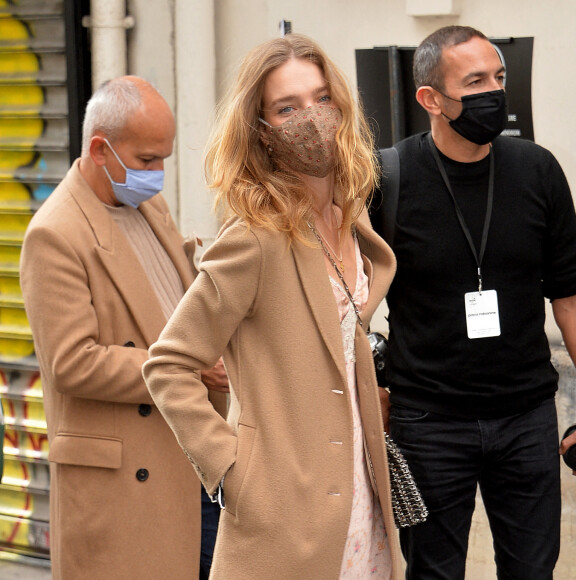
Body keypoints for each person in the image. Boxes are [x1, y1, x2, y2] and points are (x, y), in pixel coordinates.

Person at [143, 34, 403, 579]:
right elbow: (167, 365)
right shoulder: (255, 237)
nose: (312, 118)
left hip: (360, 494)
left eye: (321, 98)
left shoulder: (351, 215)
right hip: (286, 510)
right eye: (288, 108)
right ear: (260, 130)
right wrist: (234, 472)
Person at [373, 25, 576, 579]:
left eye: (499, 77)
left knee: (533, 570)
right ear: (430, 99)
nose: (494, 91)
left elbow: (571, 300)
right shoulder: (387, 180)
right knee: (433, 573)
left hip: (527, 416)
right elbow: (348, 303)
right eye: (475, 81)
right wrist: (372, 389)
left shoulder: (537, 171)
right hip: (427, 422)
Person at [20, 76, 228, 579]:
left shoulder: (146, 203)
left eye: (163, 159)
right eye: (146, 160)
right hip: (124, 479)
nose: (157, 173)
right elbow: (72, 363)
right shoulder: (55, 234)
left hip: (190, 452)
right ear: (100, 149)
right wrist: (185, 369)